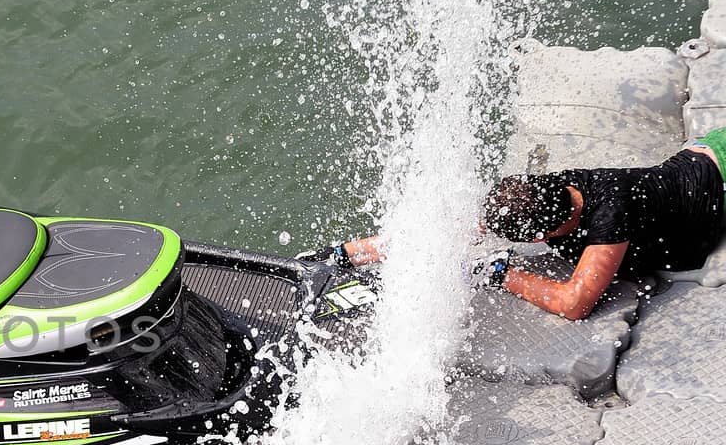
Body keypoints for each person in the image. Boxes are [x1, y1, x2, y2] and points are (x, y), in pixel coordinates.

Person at [302, 132, 726, 320]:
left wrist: (500, 273)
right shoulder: (539, 193)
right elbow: (437, 231)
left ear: (540, 238)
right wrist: (344, 255)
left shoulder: (610, 218)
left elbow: (574, 303)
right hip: (698, 155)